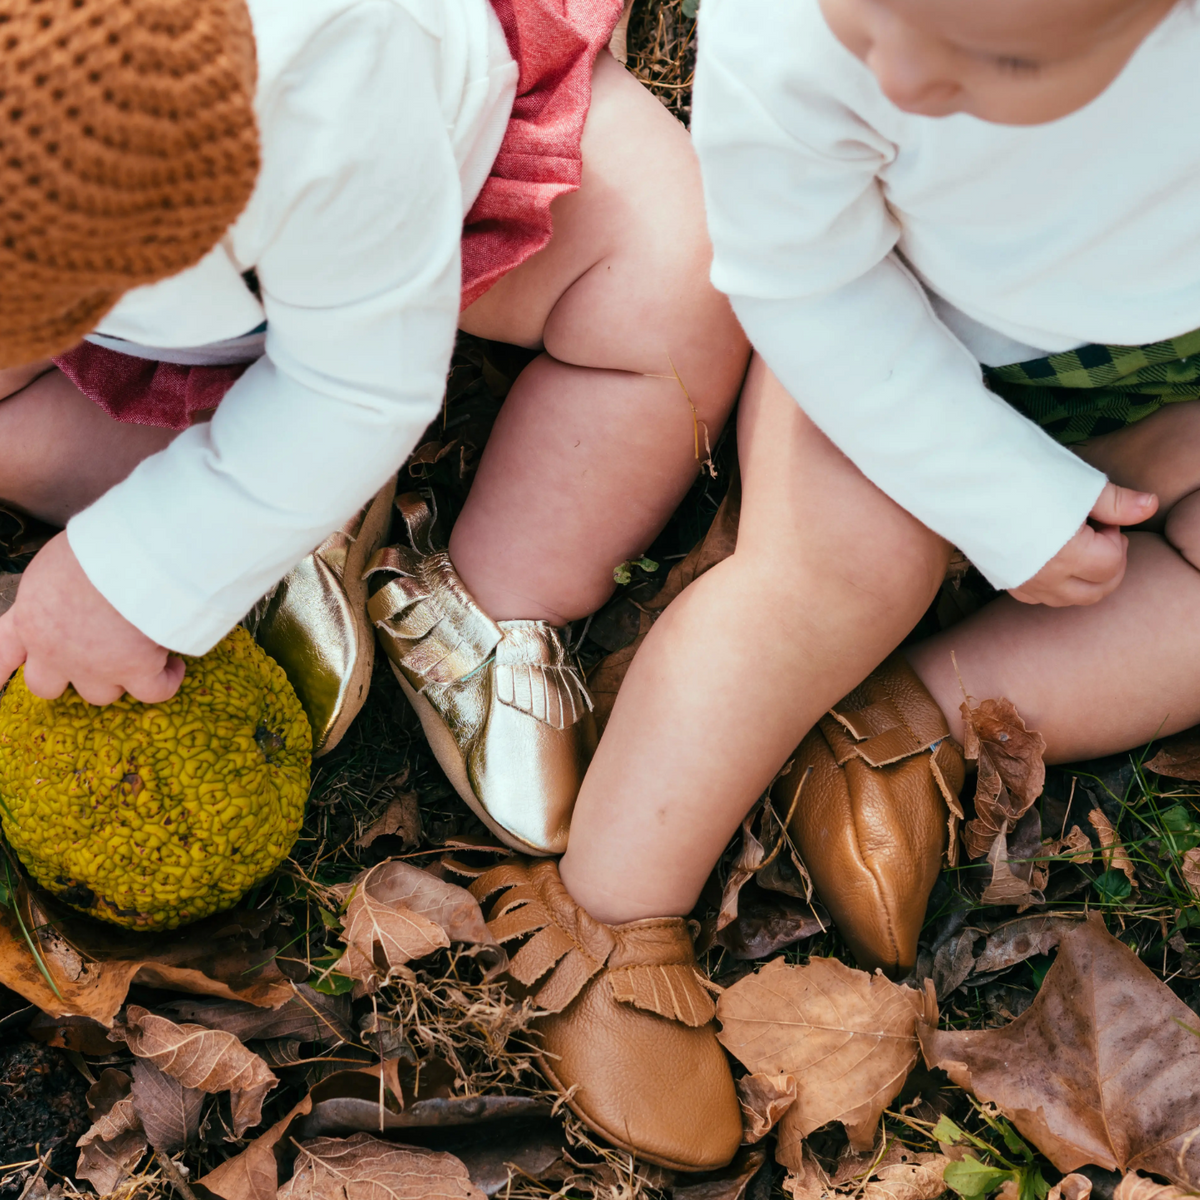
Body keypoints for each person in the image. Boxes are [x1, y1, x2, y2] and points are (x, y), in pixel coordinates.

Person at [0, 0, 749, 1170]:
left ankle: (501, 593)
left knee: (673, 284)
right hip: (145, 270)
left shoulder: (342, 60)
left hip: (446, 181)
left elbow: (363, 386)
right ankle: (275, 501)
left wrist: (132, 569)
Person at [473, 0, 1200, 1168]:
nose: (900, 79)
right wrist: (997, 491)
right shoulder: (791, 37)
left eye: (1001, 60)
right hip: (895, 354)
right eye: (866, 23)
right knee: (835, 574)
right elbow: (807, 283)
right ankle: (612, 903)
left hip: (1169, 382)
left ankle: (917, 727)